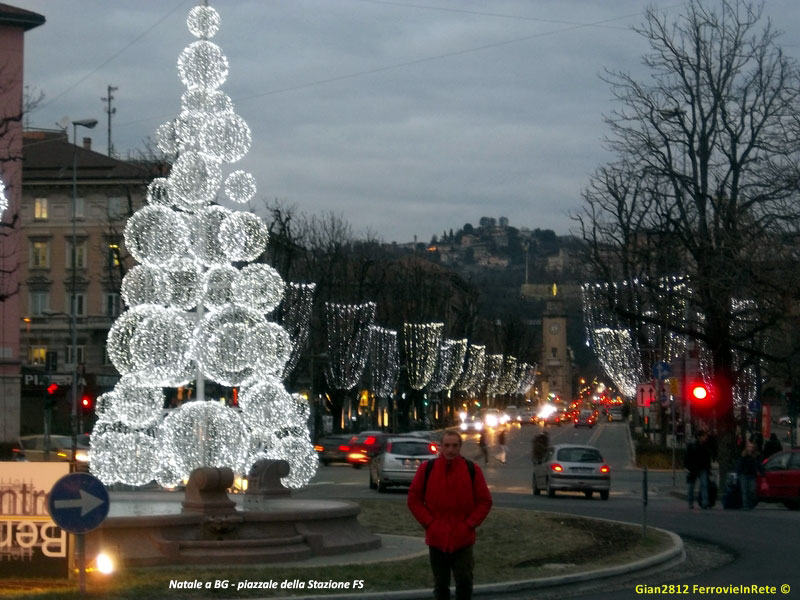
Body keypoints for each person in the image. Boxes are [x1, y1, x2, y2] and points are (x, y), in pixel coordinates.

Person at [408, 431, 492, 600]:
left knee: (464, 581)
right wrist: (429, 523)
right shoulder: (428, 469)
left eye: (454, 445)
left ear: (460, 447)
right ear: (441, 447)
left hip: (462, 538)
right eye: (447, 445)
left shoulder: (471, 470)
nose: (450, 450)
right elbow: (414, 500)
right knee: (440, 584)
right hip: (437, 538)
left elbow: (484, 501)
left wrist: (469, 524)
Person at [684, 430, 712, 509]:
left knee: (703, 485)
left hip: (701, 468)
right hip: (693, 468)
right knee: (692, 487)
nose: (705, 438)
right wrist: (687, 467)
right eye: (704, 436)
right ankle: (691, 502)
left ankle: (704, 503)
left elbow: (707, 458)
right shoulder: (693, 445)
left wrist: (708, 468)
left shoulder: (705, 445)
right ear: (700, 437)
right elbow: (687, 457)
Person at [736, 439, 763, 510]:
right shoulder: (743, 455)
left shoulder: (755, 456)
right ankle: (745, 505)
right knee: (744, 490)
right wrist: (738, 472)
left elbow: (759, 465)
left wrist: (762, 472)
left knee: (752, 490)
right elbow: (739, 465)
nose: (750, 448)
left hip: (752, 475)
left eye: (751, 446)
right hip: (744, 474)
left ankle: (750, 504)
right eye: (749, 446)